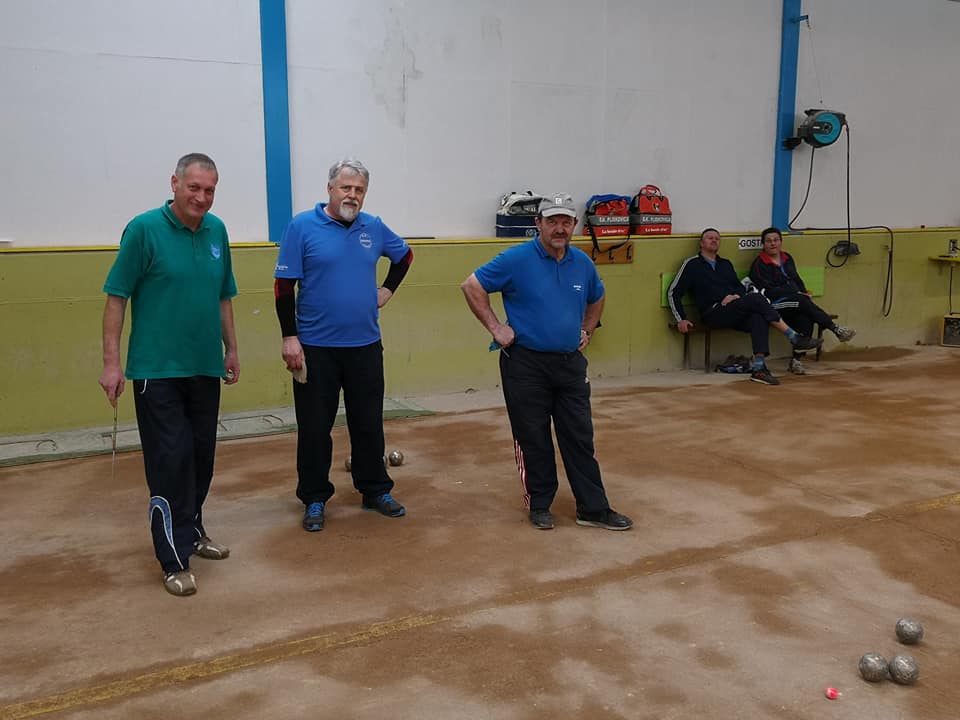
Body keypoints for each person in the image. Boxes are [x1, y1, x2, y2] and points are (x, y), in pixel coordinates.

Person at [99, 153, 240, 597]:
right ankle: (172, 558)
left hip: (204, 367)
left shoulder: (217, 231)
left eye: (209, 190)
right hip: (155, 372)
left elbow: (223, 296)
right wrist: (111, 363)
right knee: (170, 462)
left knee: (201, 459)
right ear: (175, 183)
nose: (201, 197)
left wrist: (232, 349)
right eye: (193, 187)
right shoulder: (143, 229)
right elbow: (116, 297)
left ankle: (193, 531)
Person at [461, 193, 632, 531]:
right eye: (552, 221)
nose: (559, 228)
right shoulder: (516, 259)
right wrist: (496, 328)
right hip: (525, 364)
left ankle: (593, 508)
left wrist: (587, 330)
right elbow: (472, 286)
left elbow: (597, 297)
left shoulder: (582, 263)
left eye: (566, 222)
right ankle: (540, 503)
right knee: (533, 436)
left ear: (575, 225)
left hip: (570, 364)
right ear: (538, 224)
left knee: (579, 436)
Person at [274, 158, 413, 532]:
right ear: (330, 189)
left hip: (365, 346)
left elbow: (405, 256)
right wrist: (290, 337)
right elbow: (283, 287)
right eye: (346, 188)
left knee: (368, 423)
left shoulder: (374, 227)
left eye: (359, 190)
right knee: (314, 428)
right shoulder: (302, 226)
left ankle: (374, 489)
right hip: (315, 348)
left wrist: (387, 290)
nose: (352, 195)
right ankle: (315, 497)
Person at [668, 228, 822, 385]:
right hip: (713, 312)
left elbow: (740, 287)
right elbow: (673, 292)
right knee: (756, 299)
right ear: (701, 243)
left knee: (758, 316)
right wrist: (681, 318)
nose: (714, 240)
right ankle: (793, 336)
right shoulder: (692, 264)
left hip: (734, 309)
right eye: (710, 238)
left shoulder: (725, 264)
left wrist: (735, 296)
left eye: (717, 238)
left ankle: (759, 369)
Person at [749, 226, 856, 375]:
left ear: (781, 242)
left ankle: (796, 361)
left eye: (776, 240)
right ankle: (835, 328)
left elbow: (796, 278)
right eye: (768, 241)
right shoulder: (759, 264)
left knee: (805, 314)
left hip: (794, 301)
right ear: (763, 244)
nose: (773, 243)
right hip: (774, 305)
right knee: (802, 302)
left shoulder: (787, 258)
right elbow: (768, 290)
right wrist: (796, 294)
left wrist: (804, 291)